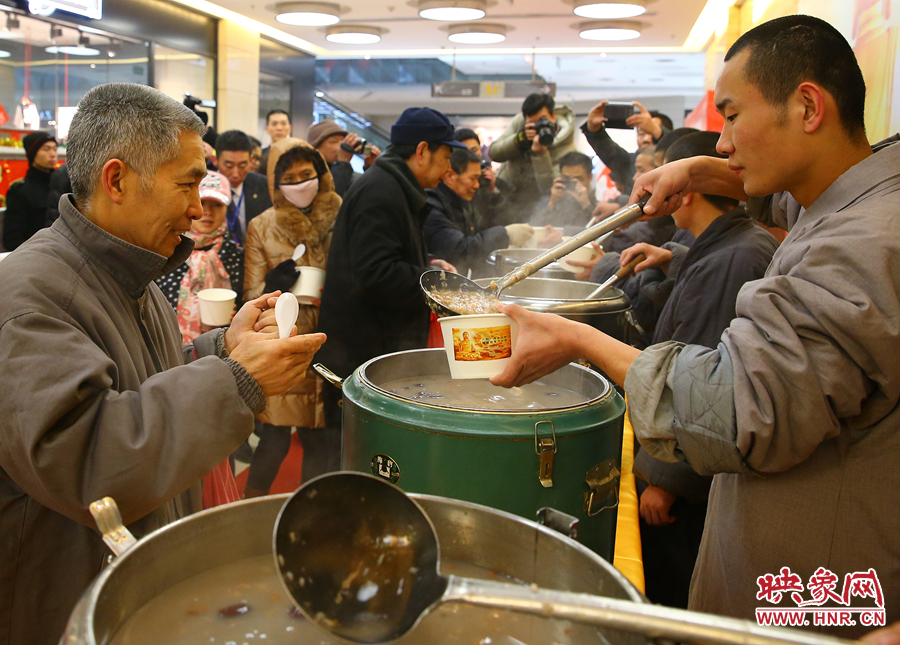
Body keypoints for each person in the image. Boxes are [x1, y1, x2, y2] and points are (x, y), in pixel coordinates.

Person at [491, 15, 900, 638]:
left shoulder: (860, 245)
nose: (724, 143)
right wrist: (698, 172)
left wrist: (576, 338)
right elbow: (789, 194)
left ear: (808, 106)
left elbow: (736, 407)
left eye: (731, 117)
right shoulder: (858, 198)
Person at [0, 82, 326, 645]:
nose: (199, 208)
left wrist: (223, 350)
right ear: (117, 180)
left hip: (134, 580)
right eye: (187, 184)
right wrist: (237, 380)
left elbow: (142, 382)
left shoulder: (131, 270)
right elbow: (91, 465)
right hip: (68, 607)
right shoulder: (31, 298)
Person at [619, 131, 779, 609]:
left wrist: (664, 481)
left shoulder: (732, 258)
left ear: (683, 190)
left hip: (687, 477)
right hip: (692, 461)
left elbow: (705, 381)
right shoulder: (725, 244)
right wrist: (675, 259)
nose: (727, 139)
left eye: (733, 117)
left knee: (672, 584)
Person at [316, 107, 463, 436]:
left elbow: (388, 256)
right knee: (354, 452)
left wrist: (427, 266)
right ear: (422, 151)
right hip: (361, 358)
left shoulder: (394, 186)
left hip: (373, 350)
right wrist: (436, 284)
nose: (448, 169)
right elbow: (375, 274)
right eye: (446, 157)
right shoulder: (381, 192)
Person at [242, 138, 342, 494]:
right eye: (290, 178)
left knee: (320, 441)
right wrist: (273, 285)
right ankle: (248, 507)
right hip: (284, 339)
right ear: (275, 182)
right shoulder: (262, 225)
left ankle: (311, 510)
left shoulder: (341, 215)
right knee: (274, 439)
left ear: (321, 173)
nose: (300, 184)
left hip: (331, 340)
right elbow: (251, 297)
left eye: (307, 174)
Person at [154, 170, 244, 344]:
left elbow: (245, 300)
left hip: (225, 348)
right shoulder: (167, 247)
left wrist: (237, 317)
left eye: (217, 205)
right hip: (168, 346)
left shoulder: (235, 253)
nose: (208, 211)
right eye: (202, 202)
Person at [423, 147, 532, 278]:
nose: (477, 185)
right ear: (450, 176)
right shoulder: (432, 205)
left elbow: (482, 229)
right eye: (472, 178)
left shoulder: (461, 201)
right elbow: (461, 250)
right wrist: (506, 234)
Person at [488, 93, 577, 219]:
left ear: (553, 116)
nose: (537, 127)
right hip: (504, 195)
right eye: (531, 123)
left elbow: (549, 188)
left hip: (534, 207)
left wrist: (541, 156)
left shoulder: (566, 148)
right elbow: (494, 153)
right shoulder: (520, 123)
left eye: (542, 121)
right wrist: (519, 140)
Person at [581, 100, 672, 196]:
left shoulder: (676, 164)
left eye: (652, 133)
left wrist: (658, 132)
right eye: (641, 134)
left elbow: (678, 148)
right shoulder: (629, 163)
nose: (646, 139)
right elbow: (607, 149)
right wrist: (594, 128)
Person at [3, 131, 57, 250]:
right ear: (33, 153)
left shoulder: (60, 185)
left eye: (54, 149)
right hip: (36, 253)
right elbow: (12, 238)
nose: (53, 154)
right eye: (46, 149)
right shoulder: (20, 192)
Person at [216, 129, 272, 244]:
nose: (235, 174)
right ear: (215, 160)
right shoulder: (202, 187)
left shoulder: (264, 186)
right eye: (229, 166)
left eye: (242, 166)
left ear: (250, 161)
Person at [454, 127, 509, 229]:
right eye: (466, 152)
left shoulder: (490, 179)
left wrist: (493, 190)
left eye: (474, 150)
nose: (471, 155)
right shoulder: (453, 182)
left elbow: (506, 215)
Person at [309, 120, 382, 197]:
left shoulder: (347, 174)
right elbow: (331, 198)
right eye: (333, 141)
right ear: (316, 148)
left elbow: (371, 196)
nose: (340, 146)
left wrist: (371, 168)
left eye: (342, 141)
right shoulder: (309, 175)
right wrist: (342, 162)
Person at [540, 151, 597, 230]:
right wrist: (551, 204)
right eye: (566, 179)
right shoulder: (547, 202)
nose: (572, 184)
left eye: (578, 179)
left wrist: (586, 205)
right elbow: (535, 226)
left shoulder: (598, 206)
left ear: (590, 178)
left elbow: (599, 230)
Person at [258, 108, 292, 175]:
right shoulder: (261, 155)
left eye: (283, 124)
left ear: (290, 128)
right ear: (267, 129)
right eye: (274, 124)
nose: (279, 128)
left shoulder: (297, 154)